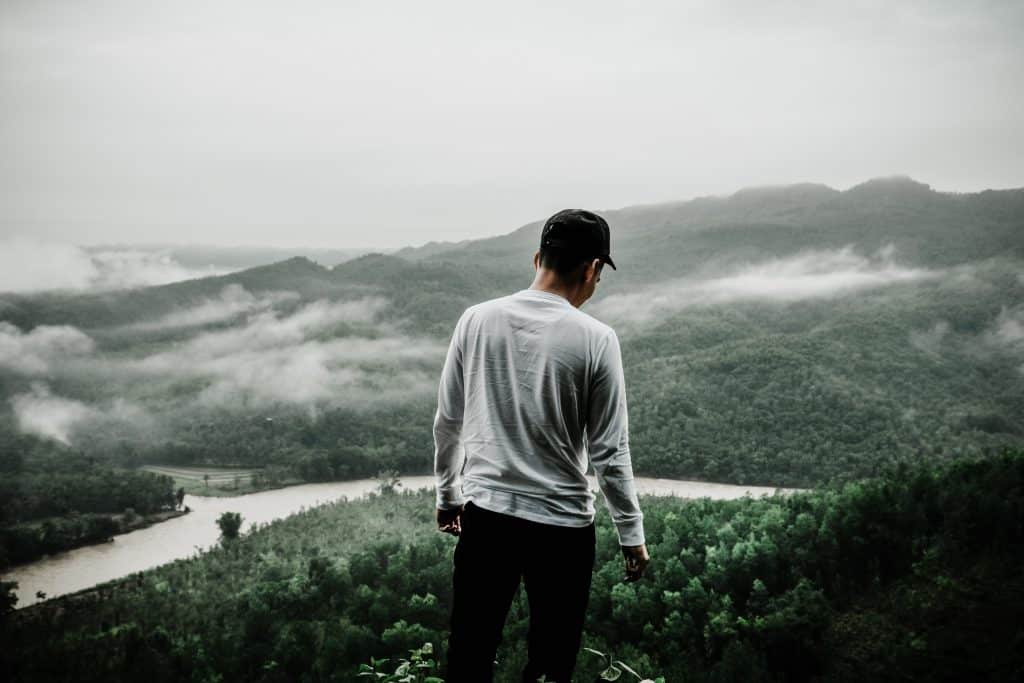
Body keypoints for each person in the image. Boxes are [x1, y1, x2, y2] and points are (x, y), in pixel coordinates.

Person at [432, 208, 650, 683]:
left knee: (469, 652)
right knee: (552, 663)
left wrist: (448, 496)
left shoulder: (476, 320)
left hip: (487, 516)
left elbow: (449, 420)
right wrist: (631, 534)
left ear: (538, 258)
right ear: (593, 269)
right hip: (563, 528)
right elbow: (609, 452)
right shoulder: (597, 339)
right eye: (598, 274)